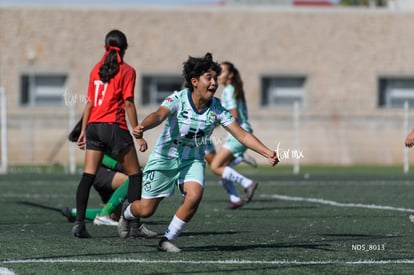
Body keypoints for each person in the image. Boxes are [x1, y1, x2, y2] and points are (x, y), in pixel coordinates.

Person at [118, 52, 279, 252]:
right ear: (194, 81)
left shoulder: (217, 108)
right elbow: (159, 115)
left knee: (195, 195)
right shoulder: (178, 98)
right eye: (208, 78)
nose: (213, 83)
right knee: (146, 210)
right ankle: (127, 213)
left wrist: (266, 152)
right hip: (165, 158)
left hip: (192, 159)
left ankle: (166, 239)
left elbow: (242, 134)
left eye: (215, 79)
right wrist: (143, 126)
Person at [72, 29, 147, 238]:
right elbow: (129, 103)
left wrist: (84, 131)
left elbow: (89, 103)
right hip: (114, 126)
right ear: (125, 48)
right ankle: (133, 226)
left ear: (106, 47)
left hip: (94, 127)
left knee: (87, 176)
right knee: (135, 175)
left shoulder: (96, 69)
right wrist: (138, 132)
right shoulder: (127, 70)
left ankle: (79, 225)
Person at [61, 118, 157, 238]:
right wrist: (120, 166)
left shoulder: (109, 123)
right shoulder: (105, 125)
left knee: (116, 216)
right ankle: (106, 216)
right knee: (131, 179)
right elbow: (103, 156)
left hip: (108, 173)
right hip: (102, 173)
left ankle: (75, 212)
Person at [208, 61, 259, 209]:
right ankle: (235, 197)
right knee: (222, 168)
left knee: (215, 166)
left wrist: (214, 122)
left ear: (230, 75)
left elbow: (234, 115)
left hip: (239, 134)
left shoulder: (228, 91)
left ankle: (247, 183)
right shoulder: (235, 89)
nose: (218, 75)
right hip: (243, 131)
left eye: (221, 72)